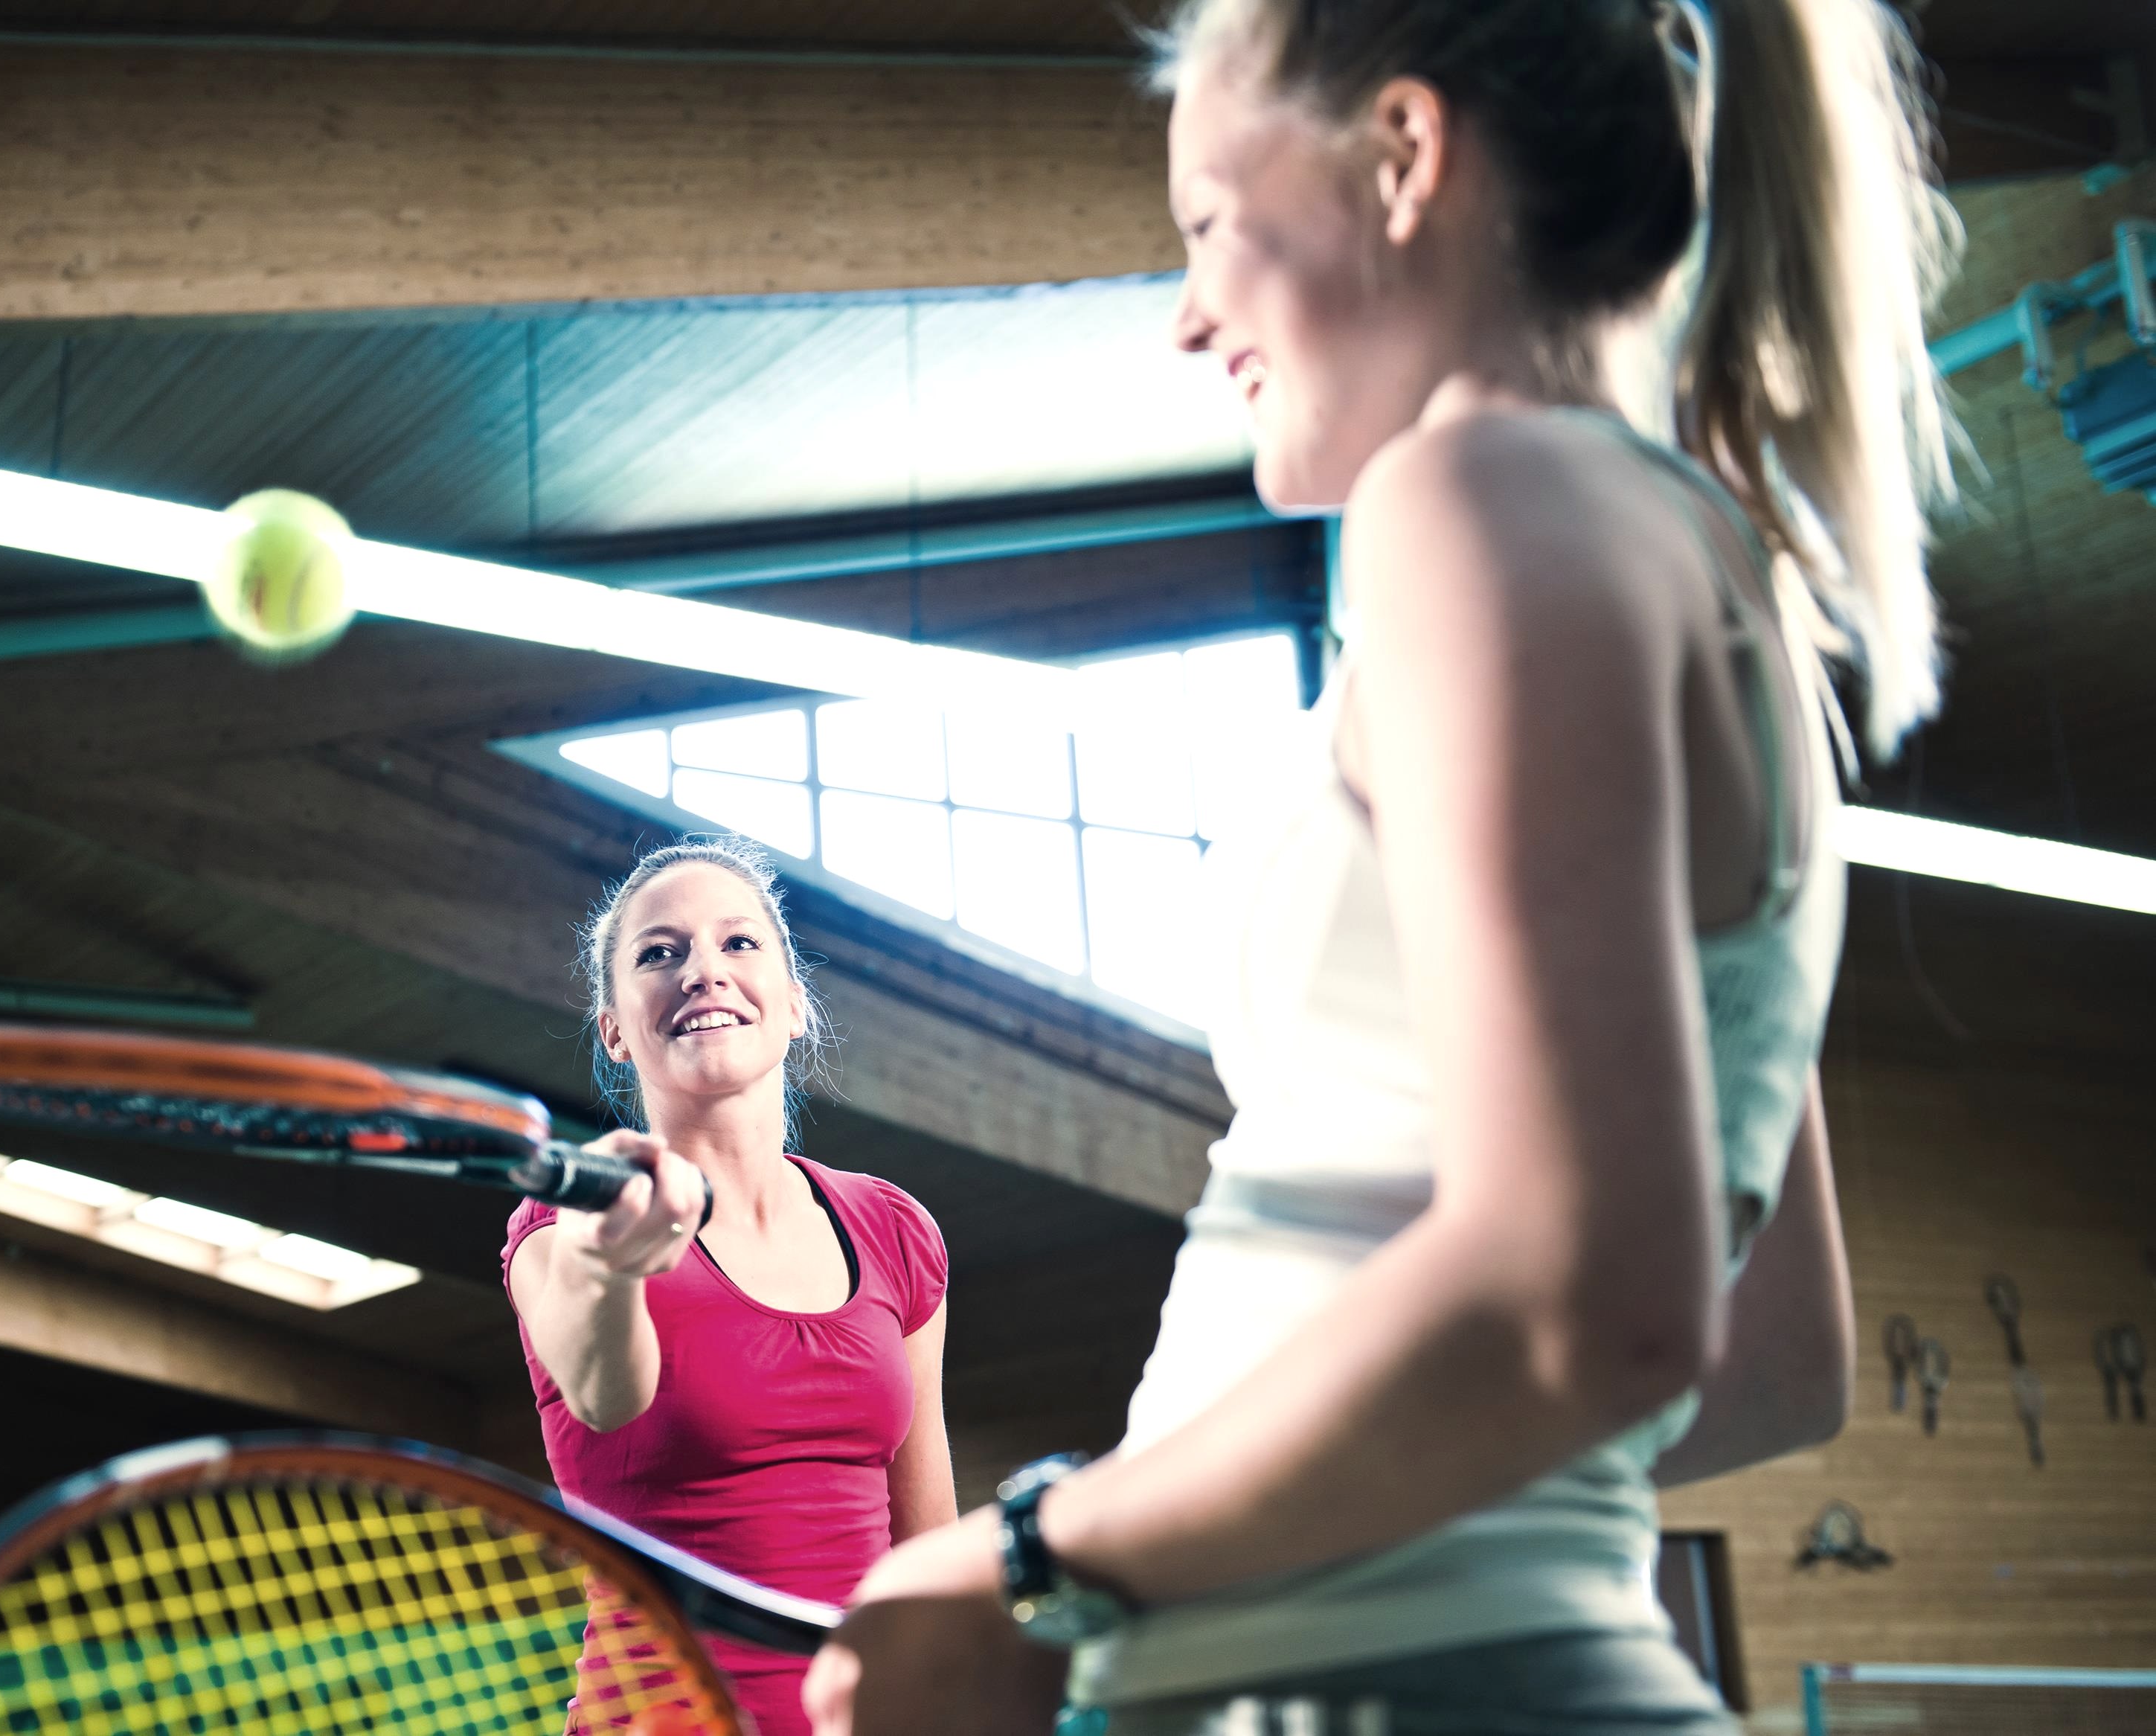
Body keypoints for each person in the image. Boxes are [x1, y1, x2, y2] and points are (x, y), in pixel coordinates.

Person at [806, 0, 1955, 1730]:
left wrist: (1053, 1556)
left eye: (1207, 220)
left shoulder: (1477, 495)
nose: (1189, 314)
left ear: (1406, 157)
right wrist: (1184, 1516)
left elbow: (1590, 1303)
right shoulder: (1707, 579)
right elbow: (1765, 1353)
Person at [503, 836, 957, 1735]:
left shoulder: (892, 1227)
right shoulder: (564, 1225)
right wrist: (611, 1262)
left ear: (794, 1005)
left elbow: (929, 1545)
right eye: (658, 953)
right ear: (614, 1029)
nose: (702, 970)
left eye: (738, 942)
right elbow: (603, 1395)